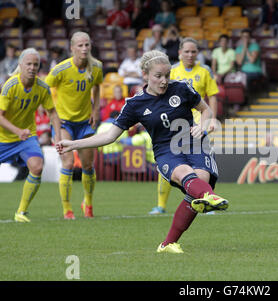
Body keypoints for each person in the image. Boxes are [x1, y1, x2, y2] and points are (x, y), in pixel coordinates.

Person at [56, 50, 229, 254]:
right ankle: (211, 196)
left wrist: (203, 124)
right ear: (145, 75)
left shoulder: (181, 89)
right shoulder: (135, 104)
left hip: (194, 143)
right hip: (166, 151)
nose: (164, 81)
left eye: (167, 75)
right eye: (158, 76)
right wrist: (74, 144)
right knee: (188, 178)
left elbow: (206, 109)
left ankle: (168, 244)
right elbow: (109, 136)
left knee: (199, 185)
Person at [151, 37, 219, 215]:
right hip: (174, 126)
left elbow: (212, 96)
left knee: (202, 166)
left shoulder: (205, 71)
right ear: (180, 52)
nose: (190, 54)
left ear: (198, 53)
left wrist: (211, 121)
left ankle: (204, 198)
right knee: (170, 165)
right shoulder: (171, 71)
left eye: (193, 51)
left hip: (198, 126)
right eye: (186, 51)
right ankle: (161, 205)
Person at [45, 32, 103, 220]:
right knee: (68, 163)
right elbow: (43, 90)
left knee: (87, 165)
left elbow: (97, 86)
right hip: (64, 123)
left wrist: (95, 111)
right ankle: (67, 210)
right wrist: (51, 114)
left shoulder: (96, 67)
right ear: (72, 48)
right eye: (80, 45)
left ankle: (88, 202)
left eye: (87, 45)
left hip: (85, 123)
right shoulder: (60, 70)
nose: (84, 48)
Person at [0, 48, 62, 222]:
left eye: (36, 64)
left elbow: (53, 113)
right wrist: (18, 131)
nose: (32, 67)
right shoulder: (10, 85)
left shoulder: (42, 87)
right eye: (29, 64)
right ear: (20, 65)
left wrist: (58, 136)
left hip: (26, 138)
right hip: (4, 137)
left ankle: (21, 212)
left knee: (37, 166)